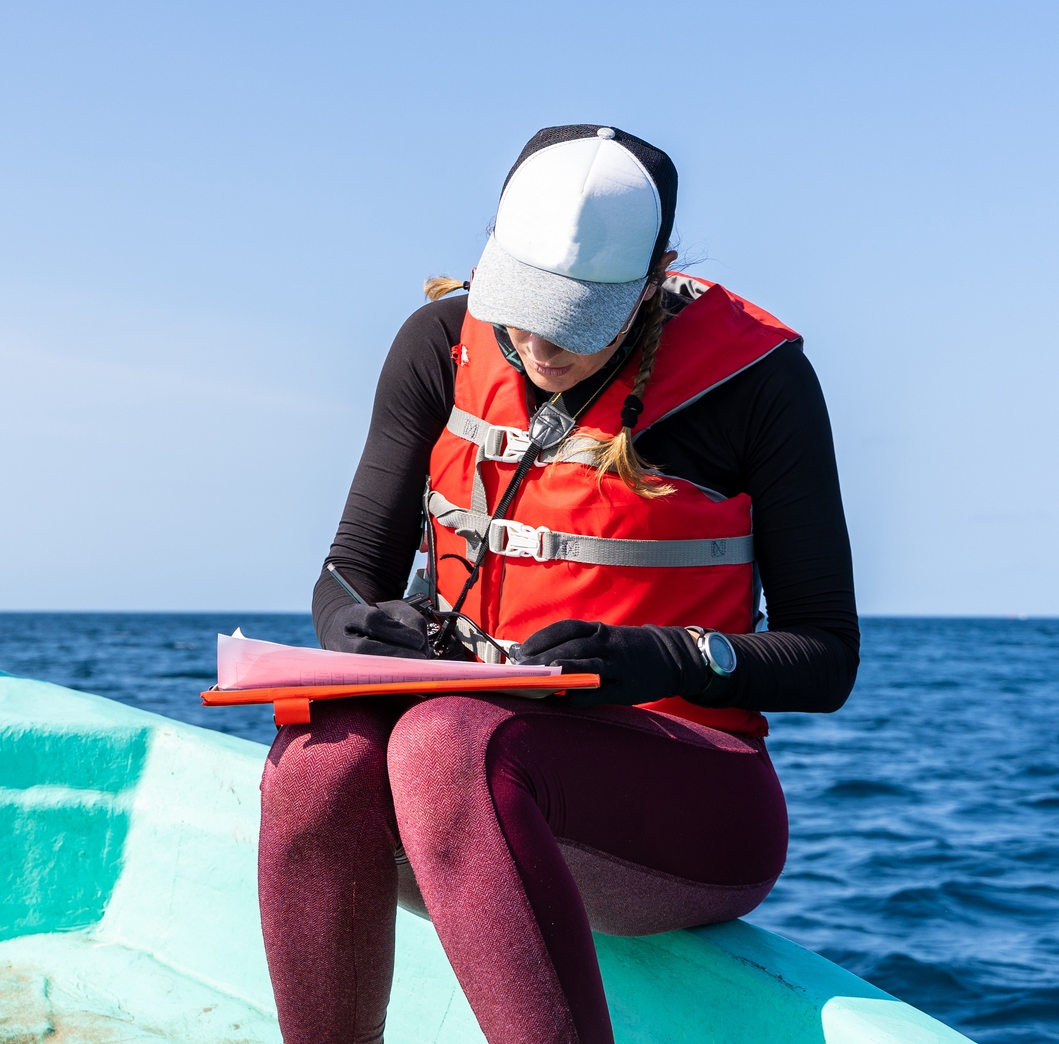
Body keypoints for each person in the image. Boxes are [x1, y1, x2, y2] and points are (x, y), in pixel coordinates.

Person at [259, 125, 858, 1044]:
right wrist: (356, 627)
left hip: (687, 805)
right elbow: (346, 573)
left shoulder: (762, 383)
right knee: (319, 754)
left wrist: (664, 656)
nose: (539, 344)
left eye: (576, 318)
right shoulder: (436, 343)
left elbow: (826, 657)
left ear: (653, 278)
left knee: (446, 745)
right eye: (524, 304)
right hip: (465, 785)